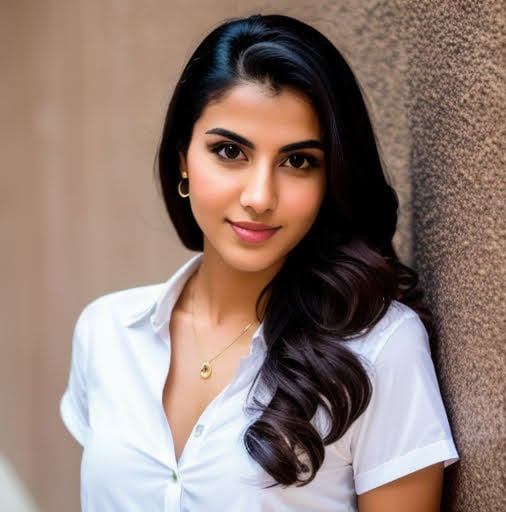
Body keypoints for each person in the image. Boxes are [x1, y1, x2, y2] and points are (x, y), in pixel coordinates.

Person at [60, 14, 458, 511]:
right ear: (183, 156)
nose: (259, 196)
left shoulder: (379, 350)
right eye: (229, 151)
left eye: (297, 161)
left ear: (330, 176)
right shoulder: (107, 332)